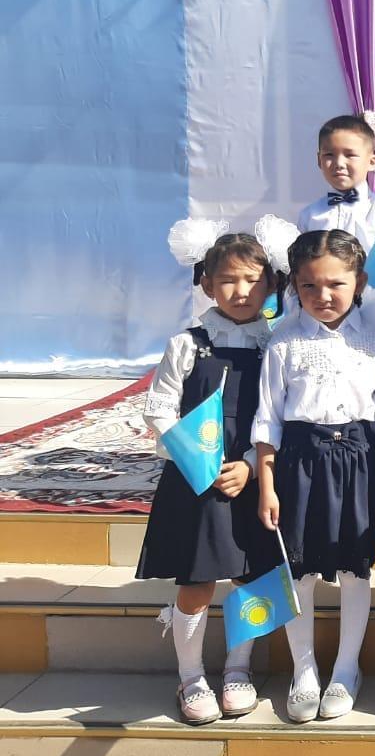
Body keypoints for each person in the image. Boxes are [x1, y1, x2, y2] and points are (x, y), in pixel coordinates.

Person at [140, 220, 281, 725]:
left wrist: (250, 466)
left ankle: (238, 669)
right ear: (206, 283)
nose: (241, 291)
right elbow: (159, 409)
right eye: (228, 280)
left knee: (249, 578)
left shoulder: (275, 345)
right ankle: (191, 676)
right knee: (197, 582)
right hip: (196, 481)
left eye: (252, 280)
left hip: (251, 479)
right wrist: (194, 459)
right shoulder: (187, 343)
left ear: (271, 284)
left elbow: (281, 415)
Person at [253, 229, 375, 724]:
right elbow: (267, 420)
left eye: (336, 283)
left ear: (360, 282)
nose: (323, 295)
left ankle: (346, 668)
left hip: (358, 462)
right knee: (300, 570)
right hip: (300, 464)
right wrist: (267, 487)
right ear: (294, 286)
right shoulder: (284, 343)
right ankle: (304, 670)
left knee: (356, 568)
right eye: (309, 285)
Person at [297, 115, 375, 253]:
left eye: (350, 155)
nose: (339, 164)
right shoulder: (309, 216)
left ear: (371, 162)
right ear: (319, 160)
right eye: (329, 155)